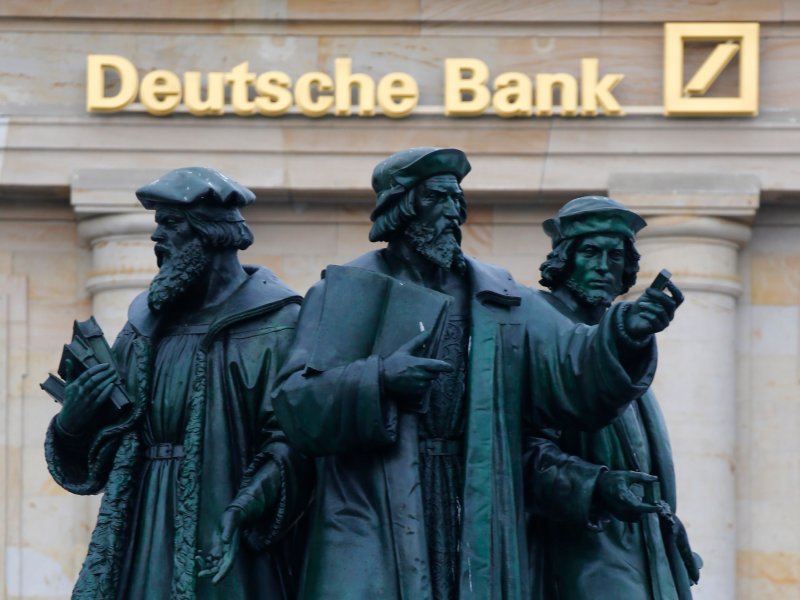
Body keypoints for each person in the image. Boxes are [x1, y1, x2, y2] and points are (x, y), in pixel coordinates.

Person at [272, 147, 683, 600]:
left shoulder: (498, 296)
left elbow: (571, 368)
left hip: (476, 500)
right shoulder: (346, 291)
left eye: (456, 199)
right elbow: (296, 405)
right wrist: (382, 379)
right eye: (436, 199)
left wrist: (626, 331)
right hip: (373, 510)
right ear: (400, 208)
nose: (453, 212)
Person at [44, 167, 311, 600]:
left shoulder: (279, 326)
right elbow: (104, 451)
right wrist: (73, 425)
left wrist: (245, 508)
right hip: (141, 529)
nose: (156, 239)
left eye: (169, 224)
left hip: (227, 523)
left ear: (210, 235)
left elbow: (293, 444)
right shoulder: (143, 328)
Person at [526, 196, 700, 599]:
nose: (605, 266)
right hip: (577, 557)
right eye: (590, 252)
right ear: (564, 260)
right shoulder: (537, 328)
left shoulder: (619, 339)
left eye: (616, 255)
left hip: (645, 553)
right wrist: (596, 486)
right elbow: (515, 450)